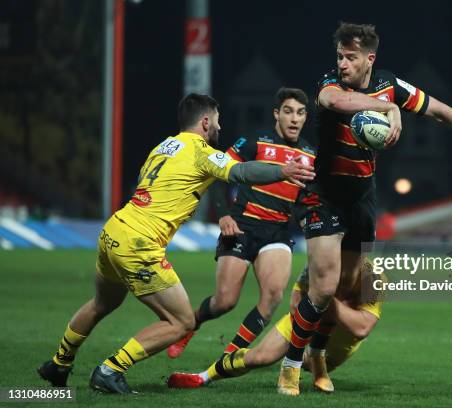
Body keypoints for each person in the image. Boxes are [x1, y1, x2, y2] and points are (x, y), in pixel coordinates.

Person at [276, 22, 452, 396]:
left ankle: (318, 355)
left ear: (370, 59)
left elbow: (442, 112)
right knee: (324, 286)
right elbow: (333, 102)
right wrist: (387, 108)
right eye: (340, 56)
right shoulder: (333, 83)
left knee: (344, 288)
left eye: (351, 57)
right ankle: (291, 367)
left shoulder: (391, 84)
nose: (342, 63)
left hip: (362, 196)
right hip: (323, 192)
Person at [36, 93, 315, 395]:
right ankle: (110, 369)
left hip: (113, 232)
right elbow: (242, 172)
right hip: (141, 244)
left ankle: (59, 362)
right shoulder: (201, 152)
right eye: (218, 120)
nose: (220, 126)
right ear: (206, 122)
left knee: (103, 302)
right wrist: (282, 171)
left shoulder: (163, 147)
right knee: (181, 321)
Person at [166, 88, 316, 359]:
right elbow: (217, 174)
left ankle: (230, 357)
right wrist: (223, 214)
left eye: (301, 113)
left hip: (277, 232)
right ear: (276, 114)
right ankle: (191, 325)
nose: (295, 119)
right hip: (241, 226)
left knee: (272, 298)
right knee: (225, 301)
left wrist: (308, 221)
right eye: (288, 111)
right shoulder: (254, 141)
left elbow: (306, 200)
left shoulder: (309, 155)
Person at [167, 258, 382, 394]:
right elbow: (296, 303)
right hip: (306, 323)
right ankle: (202, 377)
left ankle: (313, 361)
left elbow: (362, 327)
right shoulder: (319, 262)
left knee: (310, 364)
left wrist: (325, 297)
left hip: (338, 346)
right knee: (261, 357)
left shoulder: (373, 277)